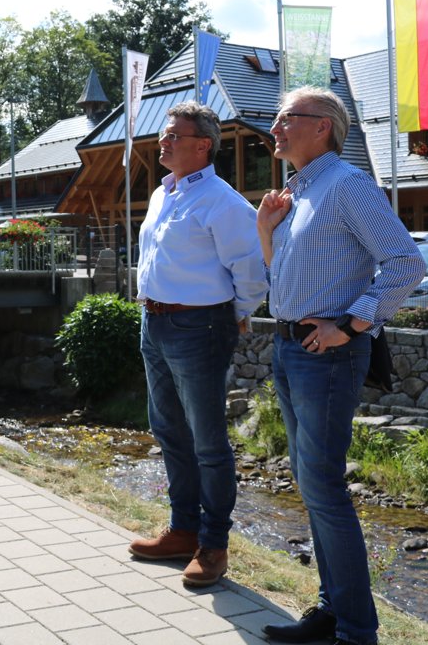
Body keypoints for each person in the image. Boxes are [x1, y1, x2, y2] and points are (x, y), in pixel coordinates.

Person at [256, 87, 424, 645]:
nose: (274, 128)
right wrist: (265, 230)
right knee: (311, 484)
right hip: (291, 349)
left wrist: (350, 326)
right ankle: (333, 614)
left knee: (322, 486)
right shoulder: (297, 193)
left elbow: (406, 263)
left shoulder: (347, 186)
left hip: (324, 354)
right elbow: (286, 278)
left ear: (322, 126)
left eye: (285, 119)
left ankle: (355, 632)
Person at [129, 101, 267, 587]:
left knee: (208, 442)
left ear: (203, 145)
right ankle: (183, 528)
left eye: (173, 136)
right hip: (156, 322)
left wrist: (237, 316)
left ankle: (213, 545)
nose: (162, 143)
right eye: (164, 135)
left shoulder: (226, 203)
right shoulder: (163, 194)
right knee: (168, 429)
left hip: (200, 328)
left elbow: (251, 273)